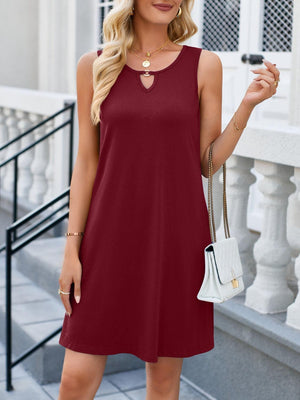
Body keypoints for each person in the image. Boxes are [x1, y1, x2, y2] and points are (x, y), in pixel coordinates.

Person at [57, 0, 280, 399]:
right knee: (75, 380)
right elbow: (86, 163)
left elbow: (207, 162)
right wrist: (72, 247)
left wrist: (247, 106)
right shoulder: (94, 64)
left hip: (174, 239)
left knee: (162, 384)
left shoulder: (203, 65)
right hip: (105, 240)